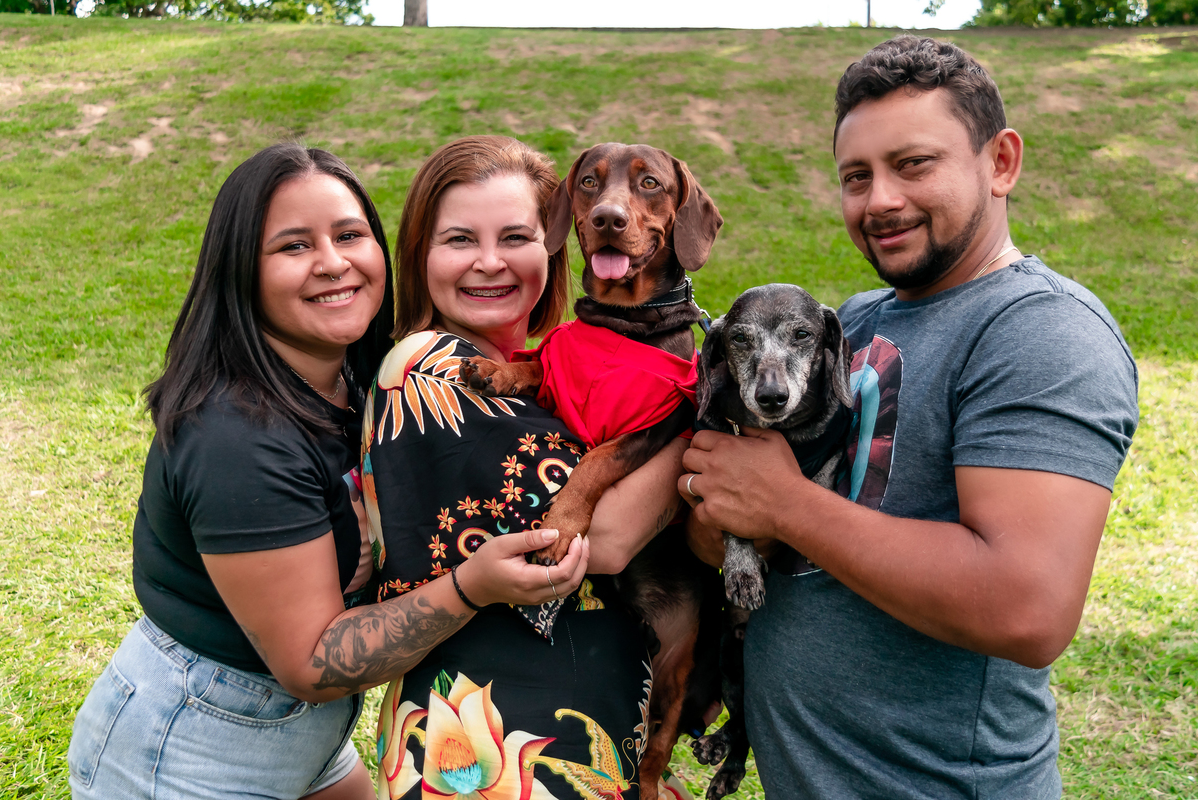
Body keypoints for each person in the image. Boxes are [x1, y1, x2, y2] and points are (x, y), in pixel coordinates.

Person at [680, 36, 1138, 799]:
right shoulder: (852, 322)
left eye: (913, 164)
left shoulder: (1041, 332)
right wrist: (727, 519)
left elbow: (1028, 607)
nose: (881, 199)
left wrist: (786, 506)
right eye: (856, 176)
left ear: (1000, 163)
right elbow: (734, 518)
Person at [66, 143, 588, 800]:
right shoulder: (236, 436)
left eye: (349, 235)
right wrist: (471, 587)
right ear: (241, 270)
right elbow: (312, 663)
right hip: (194, 742)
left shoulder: (355, 382)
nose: (333, 263)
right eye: (293, 246)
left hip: (303, 736)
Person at [362, 135, 690, 800]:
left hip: (583, 751)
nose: (490, 262)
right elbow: (610, 538)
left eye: (515, 236)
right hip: (494, 759)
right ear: (419, 256)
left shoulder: (551, 368)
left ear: (551, 243)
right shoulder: (430, 369)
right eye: (459, 240)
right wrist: (694, 418)